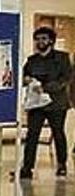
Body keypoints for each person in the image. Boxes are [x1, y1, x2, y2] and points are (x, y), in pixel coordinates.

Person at [21, 27, 71, 179]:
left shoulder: (62, 58)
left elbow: (65, 79)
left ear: (51, 40)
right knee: (32, 135)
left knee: (58, 134)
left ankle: (62, 164)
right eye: (38, 39)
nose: (40, 42)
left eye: (44, 38)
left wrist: (46, 87)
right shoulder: (32, 60)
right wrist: (27, 80)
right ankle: (27, 167)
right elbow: (23, 77)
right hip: (36, 104)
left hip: (57, 104)